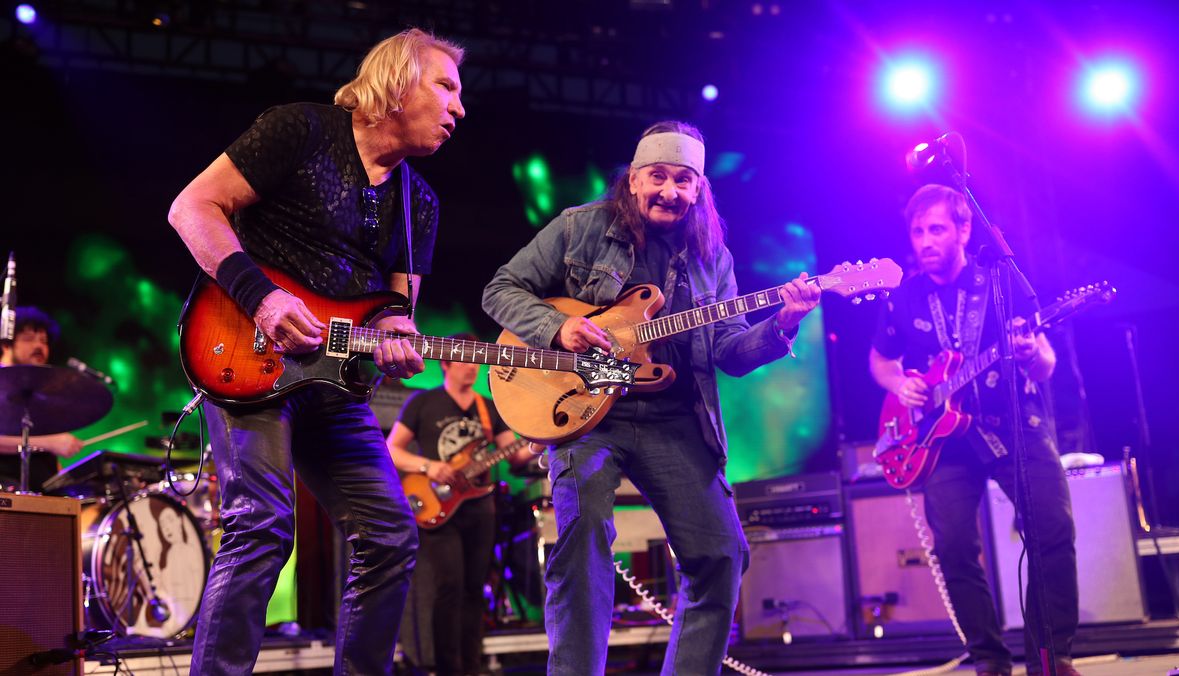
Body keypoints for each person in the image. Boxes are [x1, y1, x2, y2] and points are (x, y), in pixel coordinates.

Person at [167, 27, 466, 674]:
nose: (459, 108)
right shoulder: (300, 131)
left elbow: (395, 308)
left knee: (389, 535)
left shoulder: (421, 204)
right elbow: (192, 209)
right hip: (246, 350)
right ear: (397, 80)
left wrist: (398, 335)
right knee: (262, 525)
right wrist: (265, 300)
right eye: (446, 86)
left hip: (335, 385)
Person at [481, 120, 822, 675]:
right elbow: (500, 290)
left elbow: (731, 352)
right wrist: (557, 329)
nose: (670, 191)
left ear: (699, 189)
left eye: (684, 181)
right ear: (634, 180)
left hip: (676, 421)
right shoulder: (579, 228)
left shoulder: (715, 257)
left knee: (721, 557)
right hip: (587, 414)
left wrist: (783, 324)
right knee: (583, 532)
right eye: (658, 176)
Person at [868, 184, 1080, 676]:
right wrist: (903, 386)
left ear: (964, 230)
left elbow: (1045, 364)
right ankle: (988, 658)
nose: (925, 240)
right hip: (945, 441)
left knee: (1052, 529)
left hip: (1014, 424)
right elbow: (880, 361)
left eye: (936, 229)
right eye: (918, 231)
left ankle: (1050, 655)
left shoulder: (1001, 282)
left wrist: (1031, 354)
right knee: (955, 547)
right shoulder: (904, 298)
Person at [386, 338, 536, 676]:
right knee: (449, 586)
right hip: (437, 503)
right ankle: (447, 669)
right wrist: (429, 467)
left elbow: (515, 455)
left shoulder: (488, 408)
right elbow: (391, 449)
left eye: (476, 361)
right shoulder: (423, 402)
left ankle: (471, 667)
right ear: (446, 364)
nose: (472, 365)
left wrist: (543, 441)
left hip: (480, 506)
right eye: (465, 360)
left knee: (474, 588)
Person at [0, 306, 84, 491]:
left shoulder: (40, 394)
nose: (39, 346)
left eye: (44, 341)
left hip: (41, 496)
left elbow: (45, 462)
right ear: (6, 344)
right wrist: (50, 442)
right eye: (29, 339)